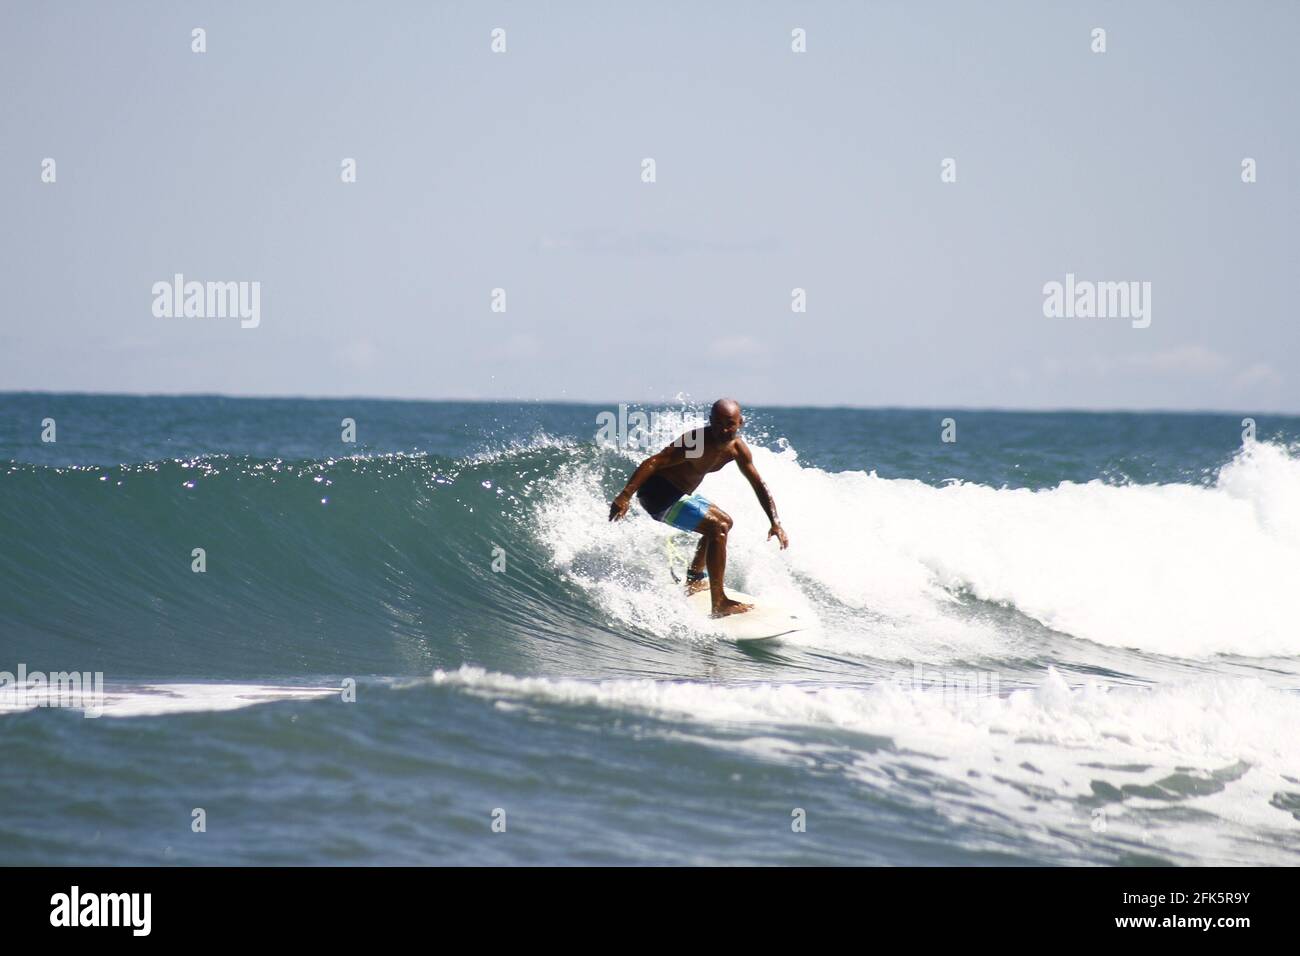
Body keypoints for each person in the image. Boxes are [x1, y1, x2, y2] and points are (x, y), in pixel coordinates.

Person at [608, 398, 788, 617]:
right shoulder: (697, 443)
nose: (723, 429)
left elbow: (758, 484)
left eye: (729, 423)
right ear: (710, 421)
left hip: (680, 495)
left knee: (725, 523)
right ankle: (719, 602)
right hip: (659, 495)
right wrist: (625, 495)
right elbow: (654, 462)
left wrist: (775, 522)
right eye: (718, 422)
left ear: (740, 422)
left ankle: (694, 578)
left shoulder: (737, 450)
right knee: (717, 527)